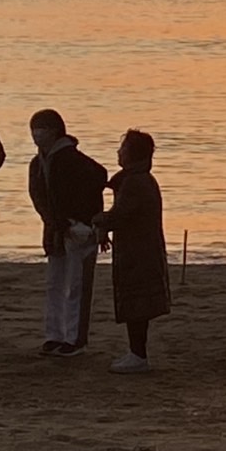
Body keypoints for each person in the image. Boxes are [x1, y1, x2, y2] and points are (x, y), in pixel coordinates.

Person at [27, 108, 108, 357]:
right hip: (56, 230)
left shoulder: (73, 159)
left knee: (77, 285)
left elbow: (99, 176)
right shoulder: (37, 163)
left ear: (55, 131)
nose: (36, 135)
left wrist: (84, 220)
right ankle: (54, 334)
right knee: (55, 283)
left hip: (78, 229)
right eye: (34, 129)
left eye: (42, 129)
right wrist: (52, 222)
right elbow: (38, 196)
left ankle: (75, 338)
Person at [93, 129, 171, 374]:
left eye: (122, 148)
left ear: (131, 154)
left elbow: (121, 215)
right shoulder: (134, 180)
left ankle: (138, 355)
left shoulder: (137, 182)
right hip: (137, 249)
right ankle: (136, 353)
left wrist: (97, 220)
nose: (119, 152)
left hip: (139, 252)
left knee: (137, 304)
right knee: (136, 303)